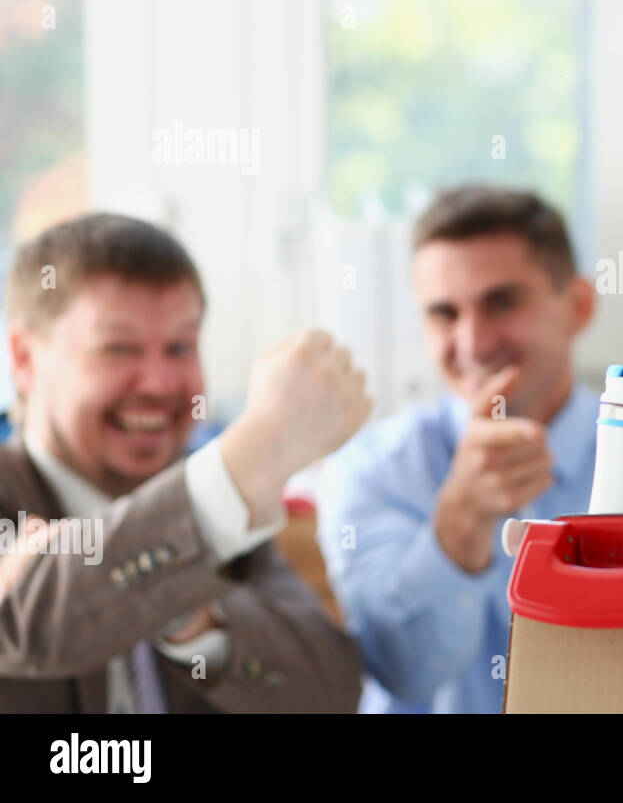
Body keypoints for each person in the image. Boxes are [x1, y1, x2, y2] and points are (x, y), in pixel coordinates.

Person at [316, 185, 623, 713]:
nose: (473, 344)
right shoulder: (370, 471)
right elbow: (405, 672)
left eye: (501, 302)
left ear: (578, 307)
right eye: (444, 313)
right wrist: (460, 522)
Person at [0, 213, 369, 712]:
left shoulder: (218, 509)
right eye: (119, 348)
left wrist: (187, 611)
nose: (159, 383)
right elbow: (25, 620)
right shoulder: (223, 497)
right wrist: (248, 459)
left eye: (179, 347)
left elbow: (331, 691)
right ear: (24, 359)